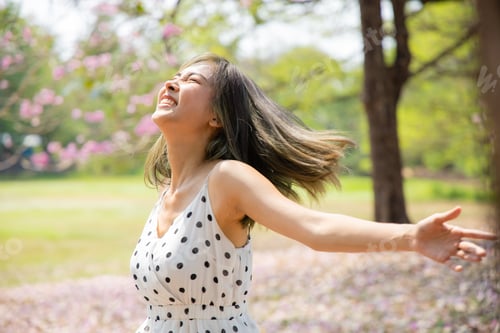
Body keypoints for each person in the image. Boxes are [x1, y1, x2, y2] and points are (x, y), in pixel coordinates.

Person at [130, 53, 497, 333]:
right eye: (174, 76)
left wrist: (411, 236)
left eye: (191, 79)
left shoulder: (227, 179)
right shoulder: (166, 194)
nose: (172, 83)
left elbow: (315, 228)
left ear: (217, 117)